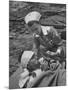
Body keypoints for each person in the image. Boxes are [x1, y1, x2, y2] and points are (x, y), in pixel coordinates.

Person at [19, 11, 66, 88]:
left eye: (36, 29)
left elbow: (60, 44)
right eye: (32, 30)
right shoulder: (35, 35)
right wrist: (38, 59)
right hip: (48, 54)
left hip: (59, 51)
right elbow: (36, 48)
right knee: (43, 53)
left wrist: (56, 53)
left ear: (39, 24)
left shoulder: (50, 30)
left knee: (59, 64)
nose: (35, 31)